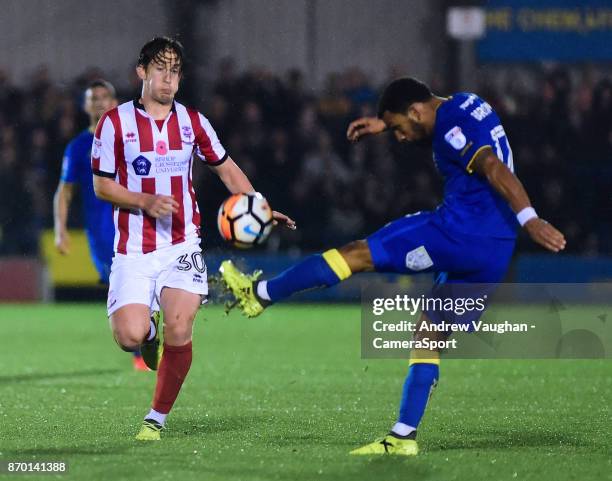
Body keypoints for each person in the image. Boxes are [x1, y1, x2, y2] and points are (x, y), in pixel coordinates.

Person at [219, 78, 566, 455]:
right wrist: (386, 122)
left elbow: (493, 166)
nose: (400, 138)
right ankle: (402, 436)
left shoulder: (449, 127)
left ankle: (259, 295)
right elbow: (430, 110)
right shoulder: (466, 103)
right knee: (430, 334)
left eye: (401, 128)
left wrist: (530, 217)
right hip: (496, 249)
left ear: (416, 112)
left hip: (459, 232)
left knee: (356, 254)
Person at [92, 37, 293, 441]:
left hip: (182, 245)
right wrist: (144, 200)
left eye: (175, 71)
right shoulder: (114, 123)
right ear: (142, 72)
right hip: (132, 249)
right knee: (128, 336)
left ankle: (156, 418)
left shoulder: (193, 122)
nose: (168, 79)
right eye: (160, 69)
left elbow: (226, 168)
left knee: (180, 327)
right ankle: (147, 335)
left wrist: (260, 206)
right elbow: (102, 186)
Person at [53, 80, 148, 371]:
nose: (100, 102)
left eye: (105, 97)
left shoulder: (131, 139)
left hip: (137, 224)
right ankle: (142, 346)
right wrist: (60, 229)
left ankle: (144, 347)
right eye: (94, 98)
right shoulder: (78, 147)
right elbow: (64, 191)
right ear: (85, 106)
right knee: (123, 290)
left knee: (145, 284)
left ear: (115, 102)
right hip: (103, 235)